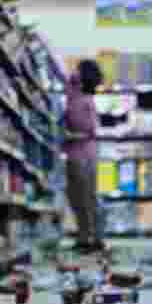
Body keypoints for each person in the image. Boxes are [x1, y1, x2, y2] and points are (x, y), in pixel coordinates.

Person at [64, 60, 104, 253]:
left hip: (84, 155)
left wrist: (70, 136)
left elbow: (92, 131)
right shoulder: (74, 96)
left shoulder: (86, 101)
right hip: (74, 154)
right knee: (76, 198)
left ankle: (92, 238)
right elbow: (68, 85)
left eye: (77, 69)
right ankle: (84, 236)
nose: (74, 71)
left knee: (86, 197)